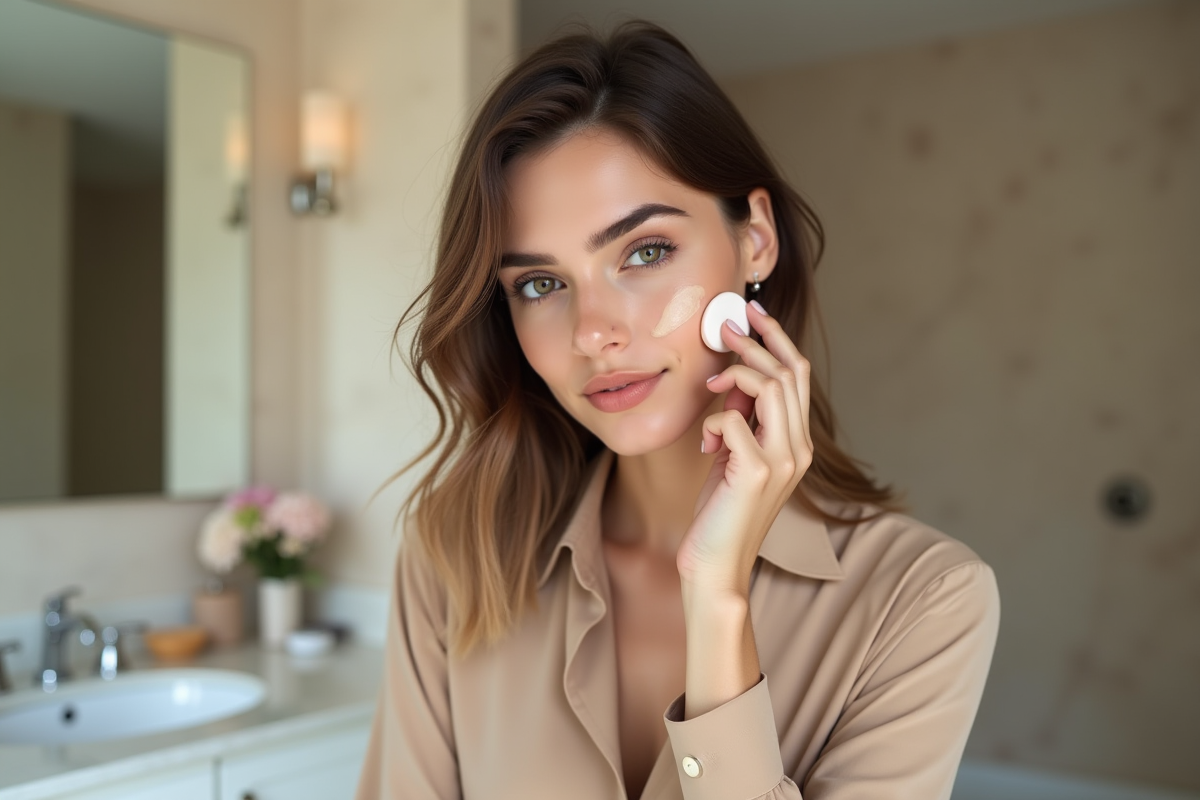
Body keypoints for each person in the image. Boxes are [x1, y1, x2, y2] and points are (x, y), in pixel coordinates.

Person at [356, 19, 1000, 800]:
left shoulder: (923, 599)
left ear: (755, 239)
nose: (594, 331)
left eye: (645, 252)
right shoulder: (454, 557)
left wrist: (719, 600)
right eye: (539, 283)